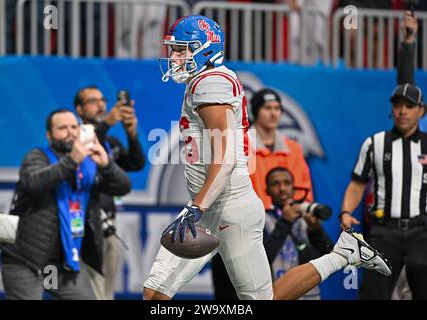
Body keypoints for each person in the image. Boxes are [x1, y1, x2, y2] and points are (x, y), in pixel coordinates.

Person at [143, 15, 391, 301]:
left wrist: (197, 206)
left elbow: (225, 158)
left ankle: (342, 255)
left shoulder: (211, 83)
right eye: (174, 49)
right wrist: (198, 205)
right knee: (154, 296)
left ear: (204, 49)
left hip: (229, 208)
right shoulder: (203, 80)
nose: (174, 57)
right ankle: (344, 253)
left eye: (181, 49)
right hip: (208, 206)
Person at [0, 109, 131, 300]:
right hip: (25, 260)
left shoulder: (89, 163)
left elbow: (123, 187)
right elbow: (34, 183)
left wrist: (106, 165)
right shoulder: (37, 156)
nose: (70, 132)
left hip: (61, 264)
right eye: (62, 128)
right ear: (49, 135)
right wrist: (72, 160)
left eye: (74, 127)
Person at [340, 12, 427, 300]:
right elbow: (356, 183)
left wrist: (409, 41)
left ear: (420, 111)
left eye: (409, 105)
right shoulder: (375, 143)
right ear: (392, 108)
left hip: (421, 232)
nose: (403, 110)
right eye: (398, 104)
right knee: (372, 296)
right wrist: (345, 212)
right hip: (383, 232)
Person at [212, 167, 332, 300]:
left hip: (308, 295)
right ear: (267, 190)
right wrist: (285, 222)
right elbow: (259, 260)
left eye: (287, 183)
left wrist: (315, 231)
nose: (282, 188)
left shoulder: (305, 220)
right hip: (275, 294)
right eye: (275, 184)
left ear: (293, 187)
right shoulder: (259, 220)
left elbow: (328, 256)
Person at [74, 85, 145, 300]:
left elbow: (135, 163)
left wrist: (131, 134)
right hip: (85, 228)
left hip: (109, 227)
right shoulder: (75, 139)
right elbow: (88, 145)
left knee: (106, 295)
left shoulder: (109, 143)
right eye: (92, 101)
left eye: (102, 100)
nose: (101, 105)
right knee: (90, 295)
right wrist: (108, 123)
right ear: (79, 109)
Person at [249, 88, 313, 210]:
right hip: (255, 216)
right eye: (267, 108)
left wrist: (297, 209)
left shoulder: (293, 148)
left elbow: (303, 186)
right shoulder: (243, 146)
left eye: (277, 108)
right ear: (255, 112)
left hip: (291, 214)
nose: (273, 113)